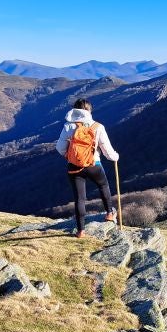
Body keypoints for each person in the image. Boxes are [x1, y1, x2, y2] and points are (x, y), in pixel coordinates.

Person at [55, 98, 120, 238]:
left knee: (79, 198)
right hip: (94, 165)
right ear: (89, 110)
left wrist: (69, 156)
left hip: (74, 167)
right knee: (103, 185)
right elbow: (108, 151)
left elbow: (60, 148)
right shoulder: (98, 127)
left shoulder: (68, 126)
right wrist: (116, 157)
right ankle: (109, 213)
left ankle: (81, 231)